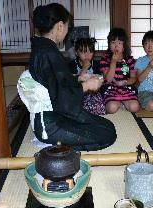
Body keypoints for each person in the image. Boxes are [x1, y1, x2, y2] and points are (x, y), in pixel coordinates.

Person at [18, 3, 116, 151]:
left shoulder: (42, 47)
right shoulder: (48, 52)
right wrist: (86, 86)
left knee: (107, 126)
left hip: (57, 112)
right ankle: (52, 143)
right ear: (59, 26)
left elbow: (55, 82)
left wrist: (78, 79)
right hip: (51, 122)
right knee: (107, 134)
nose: (67, 31)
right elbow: (61, 97)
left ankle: (58, 141)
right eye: (67, 27)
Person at [100, 28, 140, 114]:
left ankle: (122, 102)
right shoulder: (105, 59)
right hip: (111, 89)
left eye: (119, 43)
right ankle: (117, 102)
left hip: (126, 88)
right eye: (113, 42)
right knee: (112, 108)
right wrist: (113, 61)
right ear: (109, 44)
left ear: (124, 45)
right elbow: (108, 79)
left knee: (135, 107)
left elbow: (134, 78)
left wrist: (125, 82)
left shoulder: (129, 60)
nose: (116, 46)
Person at [69, 37, 106, 115]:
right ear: (76, 52)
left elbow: (101, 80)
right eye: (83, 52)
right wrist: (84, 68)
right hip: (77, 93)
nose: (87, 55)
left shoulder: (96, 64)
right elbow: (71, 82)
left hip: (93, 94)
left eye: (90, 52)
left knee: (99, 108)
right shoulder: (72, 64)